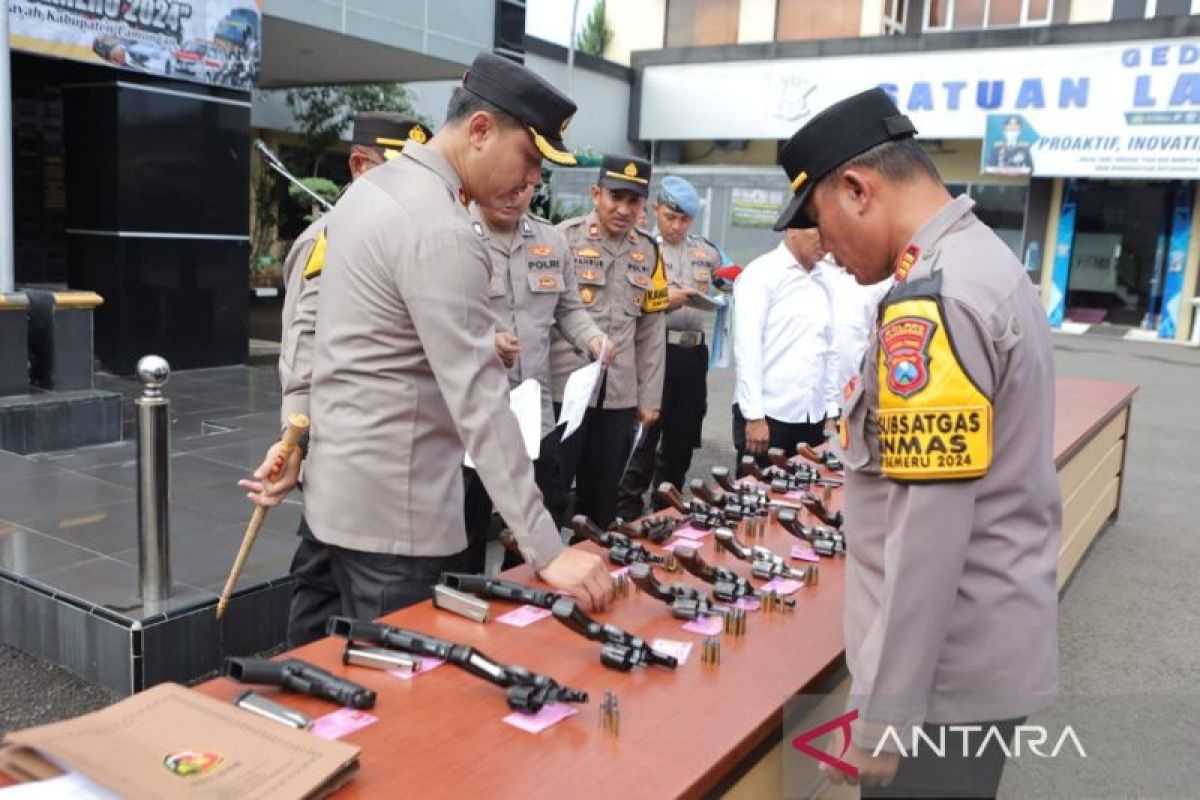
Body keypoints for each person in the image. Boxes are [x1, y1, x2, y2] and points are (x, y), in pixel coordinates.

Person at [244, 53, 613, 620]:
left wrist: (297, 441)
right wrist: (546, 547)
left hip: (331, 505)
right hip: (397, 529)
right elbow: (481, 402)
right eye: (531, 157)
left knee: (320, 678)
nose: (534, 179)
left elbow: (318, 343)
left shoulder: (366, 196)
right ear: (481, 130)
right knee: (393, 698)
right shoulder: (441, 229)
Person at [777, 87, 1059, 796]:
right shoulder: (977, 261)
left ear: (857, 188)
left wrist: (885, 716)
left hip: (939, 685)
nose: (824, 248)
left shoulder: (934, 300)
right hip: (972, 656)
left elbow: (928, 527)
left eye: (820, 222)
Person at [266, 113, 431, 647]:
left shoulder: (405, 236)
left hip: (387, 453)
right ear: (361, 167)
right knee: (324, 589)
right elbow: (305, 349)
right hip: (338, 449)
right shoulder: (330, 241)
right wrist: (300, 442)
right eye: (398, 174)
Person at [461, 184, 609, 573]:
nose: (514, 196)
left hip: (533, 411)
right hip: (471, 412)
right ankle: (464, 597)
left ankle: (517, 590)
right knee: (466, 518)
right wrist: (484, 343)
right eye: (507, 186)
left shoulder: (551, 239)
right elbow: (437, 318)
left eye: (525, 188)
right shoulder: (455, 236)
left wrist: (593, 339)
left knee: (547, 505)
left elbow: (570, 308)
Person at [548, 154, 668, 530]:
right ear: (595, 194)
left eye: (633, 201)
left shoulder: (649, 251)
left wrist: (649, 397)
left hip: (618, 396)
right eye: (615, 197)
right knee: (547, 494)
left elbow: (651, 331)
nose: (623, 208)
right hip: (563, 389)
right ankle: (523, 576)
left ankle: (587, 576)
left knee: (601, 503)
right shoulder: (562, 239)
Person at [616, 176, 721, 518]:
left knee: (682, 437)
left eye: (684, 219)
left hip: (692, 354)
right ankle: (628, 512)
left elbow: (727, 280)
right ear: (656, 209)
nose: (676, 226)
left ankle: (665, 512)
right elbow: (628, 298)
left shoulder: (705, 252)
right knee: (645, 435)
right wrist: (664, 300)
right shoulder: (643, 248)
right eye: (670, 216)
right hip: (656, 349)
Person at [731, 227, 839, 466]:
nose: (826, 243)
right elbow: (748, 349)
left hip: (812, 417)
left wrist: (831, 411)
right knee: (758, 495)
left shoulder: (825, 278)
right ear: (793, 229)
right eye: (819, 234)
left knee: (805, 496)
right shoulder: (762, 273)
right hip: (769, 417)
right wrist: (754, 416)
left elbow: (830, 350)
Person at [824, 256, 891, 408]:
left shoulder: (880, 278)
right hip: (808, 406)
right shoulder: (810, 270)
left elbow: (880, 337)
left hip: (854, 399)